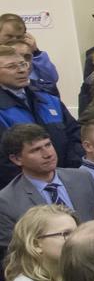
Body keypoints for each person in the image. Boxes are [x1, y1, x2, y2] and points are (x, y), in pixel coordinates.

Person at [0, 124, 94, 254]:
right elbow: (15, 254)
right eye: (36, 150)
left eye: (48, 145)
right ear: (17, 159)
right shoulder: (7, 202)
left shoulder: (82, 178)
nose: (48, 154)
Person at [0, 44, 82, 185]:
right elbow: (4, 160)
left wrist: (67, 173)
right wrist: (37, 181)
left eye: (23, 64)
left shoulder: (48, 99)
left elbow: (75, 134)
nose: (21, 70)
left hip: (65, 180)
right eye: (12, 66)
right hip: (23, 188)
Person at [0, 16, 59, 97]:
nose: (14, 40)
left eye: (19, 37)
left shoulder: (29, 54)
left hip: (34, 100)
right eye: (9, 36)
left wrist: (36, 52)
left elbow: (52, 79)